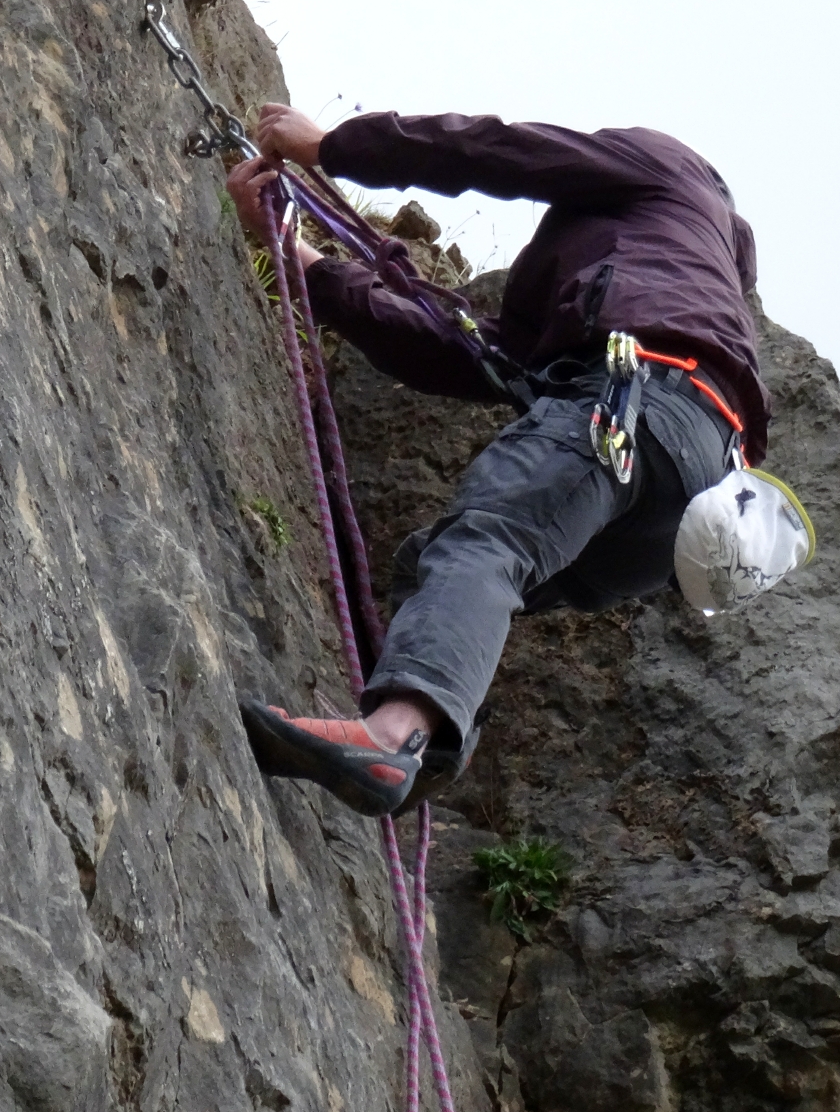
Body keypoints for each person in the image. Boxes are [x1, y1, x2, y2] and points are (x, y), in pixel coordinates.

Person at [226, 103, 768, 816]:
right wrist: (309, 268)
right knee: (439, 565)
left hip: (635, 407)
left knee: (488, 544)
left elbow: (502, 152)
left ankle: (392, 737)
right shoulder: (672, 278)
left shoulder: (667, 172)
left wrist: (334, 146)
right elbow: (471, 357)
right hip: (684, 510)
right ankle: (419, 746)